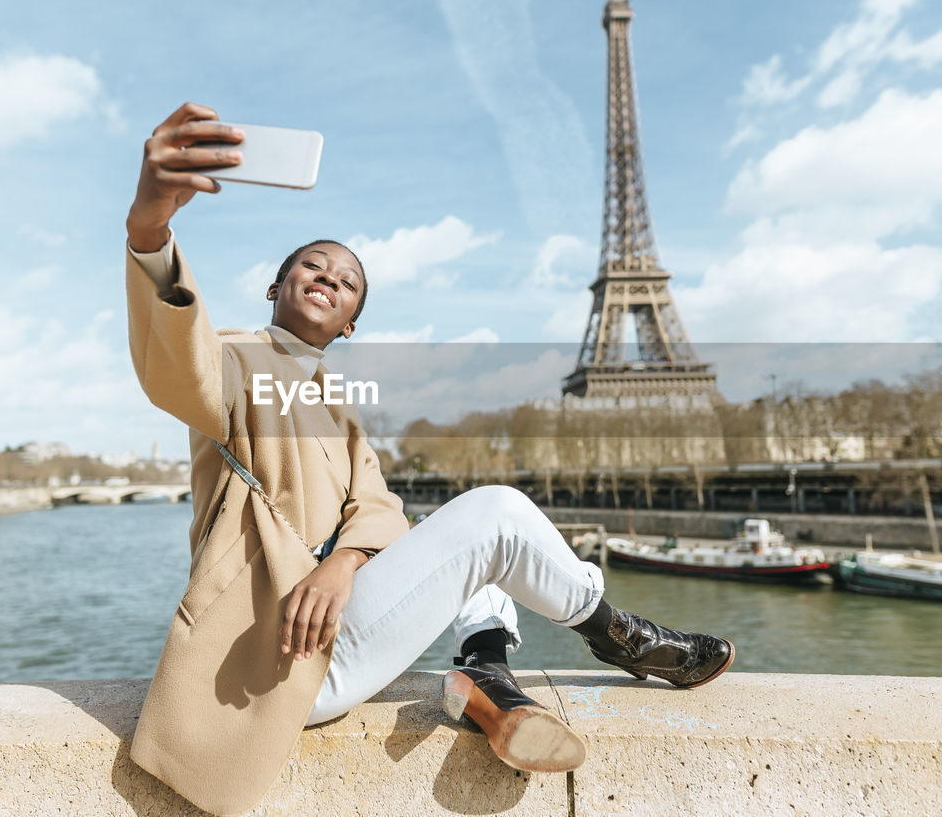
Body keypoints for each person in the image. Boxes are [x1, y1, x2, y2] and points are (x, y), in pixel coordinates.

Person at [124, 103, 735, 816]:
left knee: (447, 530)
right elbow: (177, 364)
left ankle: (487, 671)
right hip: (278, 659)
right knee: (497, 513)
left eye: (346, 280)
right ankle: (618, 633)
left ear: (351, 322)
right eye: (310, 267)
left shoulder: (342, 405)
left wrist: (343, 562)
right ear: (275, 288)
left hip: (334, 625)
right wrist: (151, 227)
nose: (327, 276)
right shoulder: (235, 358)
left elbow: (378, 507)